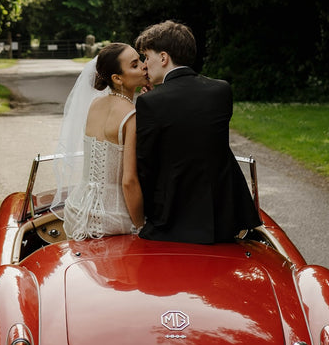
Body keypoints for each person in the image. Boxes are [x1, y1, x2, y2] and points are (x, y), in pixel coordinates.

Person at [134, 19, 260, 244]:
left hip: (171, 220)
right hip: (221, 216)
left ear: (163, 58)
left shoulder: (150, 103)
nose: (144, 65)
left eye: (147, 57)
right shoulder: (221, 90)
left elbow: (146, 166)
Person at [55, 43, 146, 240]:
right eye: (135, 64)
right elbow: (129, 181)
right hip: (114, 218)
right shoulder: (131, 115)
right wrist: (141, 226)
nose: (144, 66)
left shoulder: (95, 105)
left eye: (140, 60)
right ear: (117, 78)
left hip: (77, 211)